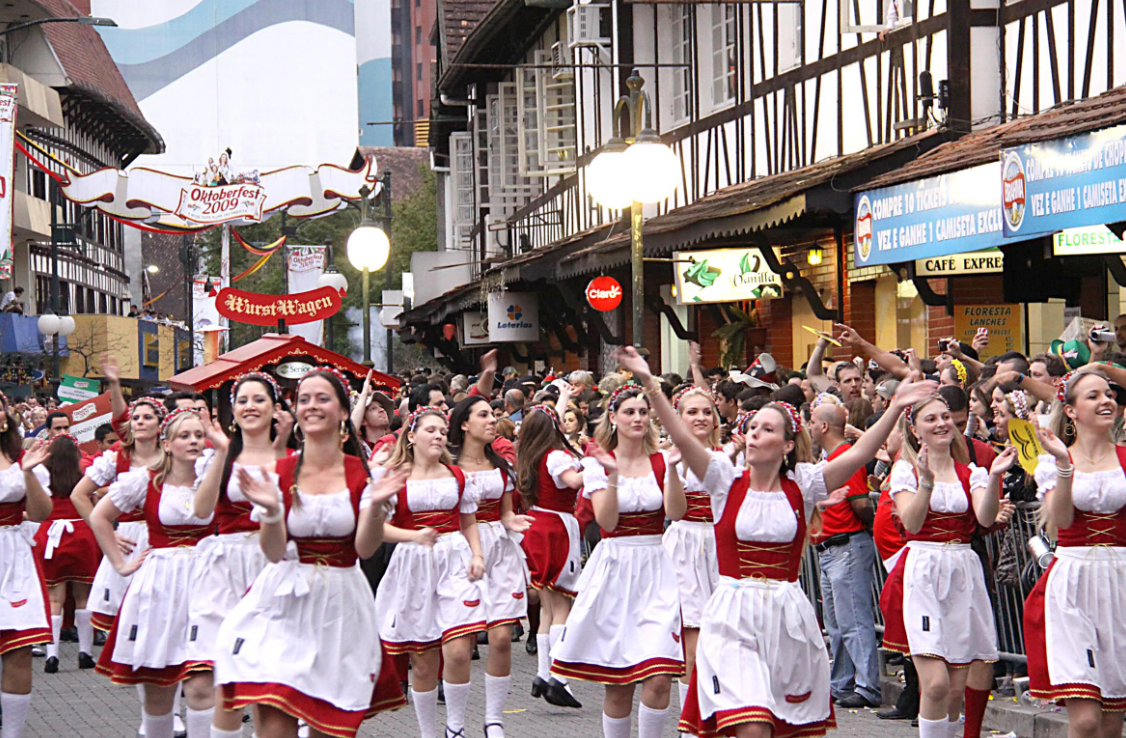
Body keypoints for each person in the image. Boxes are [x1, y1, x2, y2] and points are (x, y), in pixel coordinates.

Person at [659, 349, 936, 738]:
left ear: (788, 445)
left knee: (779, 725)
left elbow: (857, 454)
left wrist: (895, 408)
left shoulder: (803, 484)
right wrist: (653, 390)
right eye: (753, 428)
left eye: (767, 430)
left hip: (786, 615)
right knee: (750, 724)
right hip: (733, 611)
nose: (755, 435)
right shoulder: (724, 478)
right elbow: (682, 438)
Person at [214, 368, 405, 738]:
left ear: (343, 411)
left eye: (322, 398)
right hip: (283, 599)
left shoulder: (364, 475)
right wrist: (270, 512)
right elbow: (272, 553)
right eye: (304, 399)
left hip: (340, 604)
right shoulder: (279, 472)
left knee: (327, 727)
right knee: (273, 722)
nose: (311, 406)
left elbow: (364, 549)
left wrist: (378, 507)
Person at [551, 369, 687, 738]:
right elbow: (606, 520)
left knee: (659, 676)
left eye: (643, 412)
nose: (638, 418)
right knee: (619, 680)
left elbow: (675, 514)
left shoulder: (661, 460)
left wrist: (672, 471)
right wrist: (611, 475)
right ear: (613, 417)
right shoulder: (597, 464)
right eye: (629, 412)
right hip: (615, 564)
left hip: (656, 565)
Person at [880, 394, 1006, 738]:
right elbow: (912, 523)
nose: (941, 424)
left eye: (946, 417)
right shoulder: (905, 470)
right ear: (915, 430)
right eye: (931, 419)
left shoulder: (972, 472)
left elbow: (984, 516)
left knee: (953, 690)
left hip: (963, 569)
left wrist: (993, 477)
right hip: (923, 567)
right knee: (935, 684)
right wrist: (927, 482)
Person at [89, 408, 215, 738]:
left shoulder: (213, 476)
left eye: (198, 435)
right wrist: (120, 563)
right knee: (159, 689)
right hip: (161, 583)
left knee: (203, 686)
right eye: (185, 436)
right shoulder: (146, 480)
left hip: (206, 583)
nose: (193, 441)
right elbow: (100, 517)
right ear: (168, 444)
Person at [375, 405, 487, 738]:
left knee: (457, 649)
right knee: (423, 657)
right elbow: (377, 529)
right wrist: (414, 536)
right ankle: (428, 733)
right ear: (411, 437)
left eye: (442, 431)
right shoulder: (394, 476)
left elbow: (469, 520)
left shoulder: (456, 475)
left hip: (454, 560)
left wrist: (477, 555)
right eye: (430, 430)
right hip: (413, 563)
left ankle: (456, 728)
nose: (438, 436)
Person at [1025, 370, 1126, 738]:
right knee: (1085, 720)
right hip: (1073, 580)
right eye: (1094, 396)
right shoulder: (1053, 462)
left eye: (1109, 394)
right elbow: (1063, 519)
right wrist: (1065, 467)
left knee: (1113, 722)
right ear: (1070, 411)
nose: (1106, 401)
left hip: (1119, 580)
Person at [191, 373, 290, 738]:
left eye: (259, 399)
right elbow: (201, 511)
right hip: (228, 568)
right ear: (233, 410)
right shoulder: (222, 456)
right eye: (243, 400)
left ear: (275, 408)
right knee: (223, 682)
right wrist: (220, 451)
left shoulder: (293, 456)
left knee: (271, 688)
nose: (250, 406)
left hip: (276, 565)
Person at [448, 396, 533, 738]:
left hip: (499, 548)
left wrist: (513, 522)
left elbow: (506, 510)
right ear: (464, 424)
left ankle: (494, 720)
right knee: (460, 643)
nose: (491, 420)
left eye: (492, 415)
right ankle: (455, 725)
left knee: (500, 638)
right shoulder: (449, 465)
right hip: (462, 548)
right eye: (483, 415)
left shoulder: (501, 465)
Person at [657, 385, 729, 717]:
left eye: (706, 411)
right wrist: (672, 469)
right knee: (693, 646)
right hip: (685, 545)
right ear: (679, 418)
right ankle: (693, 721)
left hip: (723, 546)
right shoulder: (671, 458)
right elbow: (673, 512)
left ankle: (725, 714)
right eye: (692, 412)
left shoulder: (730, 455)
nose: (701, 417)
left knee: (727, 642)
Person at [807, 399, 881, 709]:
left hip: (846, 545)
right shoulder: (831, 458)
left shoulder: (844, 458)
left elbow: (861, 504)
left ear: (823, 426)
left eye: (812, 422)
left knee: (853, 620)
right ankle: (841, 683)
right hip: (831, 547)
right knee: (837, 624)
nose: (809, 427)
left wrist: (870, 527)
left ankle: (866, 686)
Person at [515, 406, 586, 708]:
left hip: (536, 524)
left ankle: (543, 673)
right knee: (562, 604)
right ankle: (559, 676)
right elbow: (573, 482)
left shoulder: (528, 456)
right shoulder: (555, 456)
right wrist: (599, 466)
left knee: (547, 605)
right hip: (558, 527)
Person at [0, 393, 52, 738]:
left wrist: (30, 473)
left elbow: (40, 513)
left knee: (19, 650)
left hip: (13, 554)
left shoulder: (22, 458)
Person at [32, 434, 101, 673]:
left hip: (50, 535)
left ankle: (52, 655)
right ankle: (85, 652)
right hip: (80, 533)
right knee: (83, 597)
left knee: (54, 599)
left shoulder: (42, 477)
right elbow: (92, 503)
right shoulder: (83, 477)